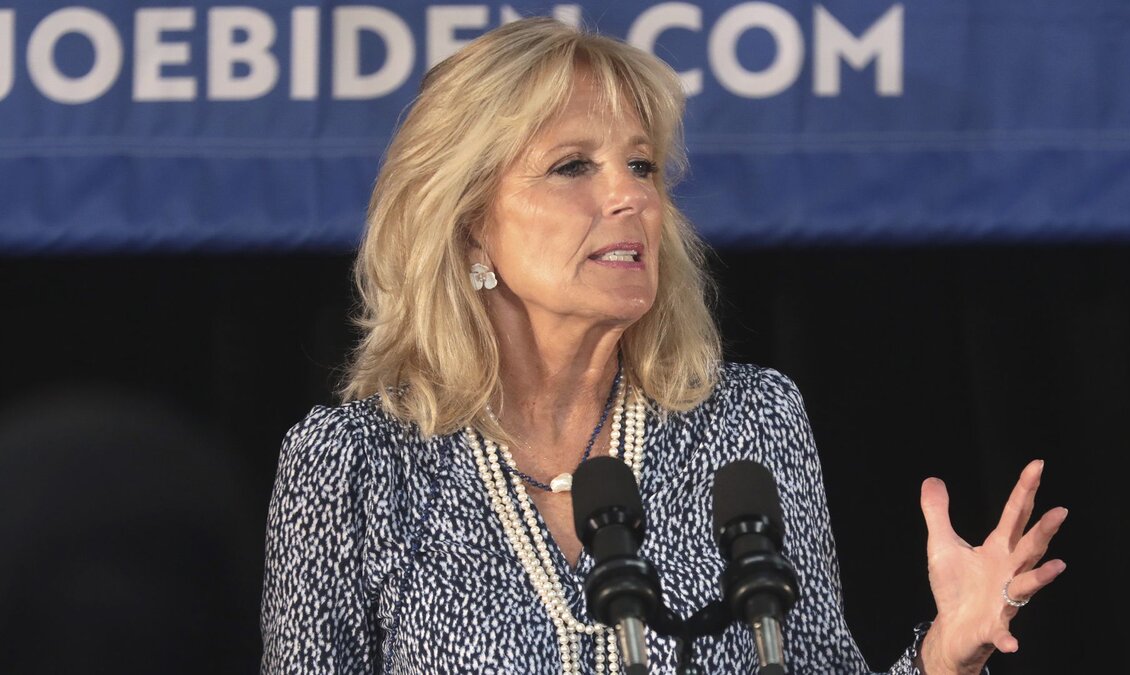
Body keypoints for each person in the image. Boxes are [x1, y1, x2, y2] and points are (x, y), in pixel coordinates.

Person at [260, 17, 1067, 675]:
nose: (628, 196)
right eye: (572, 166)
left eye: (641, 165)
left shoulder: (750, 422)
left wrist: (941, 659)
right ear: (470, 223)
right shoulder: (351, 465)